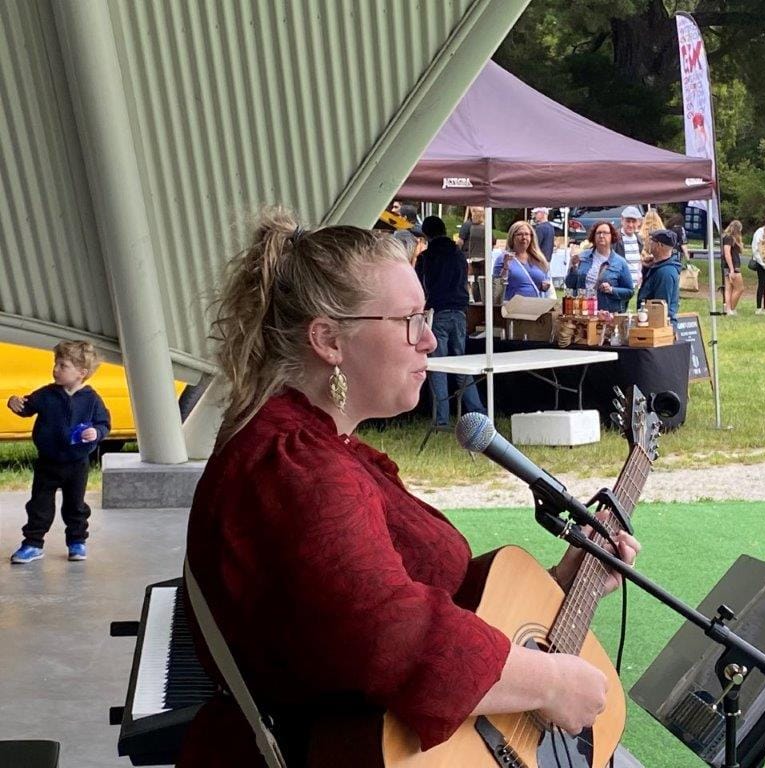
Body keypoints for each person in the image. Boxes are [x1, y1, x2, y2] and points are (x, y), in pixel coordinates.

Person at [180, 208, 640, 766]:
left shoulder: (315, 446)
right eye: (408, 321)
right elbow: (388, 630)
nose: (428, 340)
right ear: (327, 339)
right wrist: (547, 682)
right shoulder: (298, 468)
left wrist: (563, 581)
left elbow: (401, 598)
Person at [8, 340, 110, 564]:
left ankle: (77, 541)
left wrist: (97, 432)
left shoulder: (92, 399)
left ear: (81, 373)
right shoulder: (46, 394)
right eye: (56, 364)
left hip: (77, 463)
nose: (55, 369)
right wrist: (14, 402)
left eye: (63, 366)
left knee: (75, 505)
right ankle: (33, 544)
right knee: (39, 505)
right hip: (48, 463)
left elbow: (104, 424)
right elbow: (26, 407)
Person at [415, 216, 485, 426]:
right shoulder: (458, 254)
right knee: (462, 364)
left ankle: (441, 419)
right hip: (461, 312)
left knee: (438, 366)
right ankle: (478, 412)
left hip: (438, 311)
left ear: (426, 234)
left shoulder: (427, 257)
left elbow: (420, 286)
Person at [564, 220, 635, 312]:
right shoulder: (582, 257)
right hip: (583, 313)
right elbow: (570, 284)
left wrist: (611, 290)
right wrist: (573, 267)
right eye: (598, 233)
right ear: (593, 236)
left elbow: (629, 292)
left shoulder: (620, 262)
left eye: (605, 233)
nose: (601, 236)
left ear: (611, 236)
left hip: (607, 314)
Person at [493, 220, 551, 300]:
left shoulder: (538, 258)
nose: (524, 238)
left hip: (535, 308)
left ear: (531, 237)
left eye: (527, 234)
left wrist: (545, 286)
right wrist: (505, 268)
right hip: (513, 308)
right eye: (519, 234)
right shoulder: (503, 258)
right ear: (512, 237)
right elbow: (497, 289)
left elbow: (545, 281)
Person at [636, 229, 682, 321]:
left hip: (658, 327)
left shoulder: (665, 272)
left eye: (652, 241)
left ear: (659, 245)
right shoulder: (657, 267)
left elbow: (659, 308)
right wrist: (646, 268)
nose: (649, 243)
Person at [614, 206, 646, 290]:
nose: (631, 225)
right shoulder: (615, 238)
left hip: (634, 286)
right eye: (628, 221)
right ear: (622, 220)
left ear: (638, 222)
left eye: (634, 221)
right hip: (619, 285)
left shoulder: (639, 239)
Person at [721, 219, 745, 315]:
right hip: (732, 266)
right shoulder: (729, 238)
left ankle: (728, 308)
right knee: (739, 288)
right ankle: (731, 307)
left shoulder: (727, 238)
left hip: (729, 266)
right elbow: (727, 253)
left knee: (729, 288)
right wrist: (731, 269)